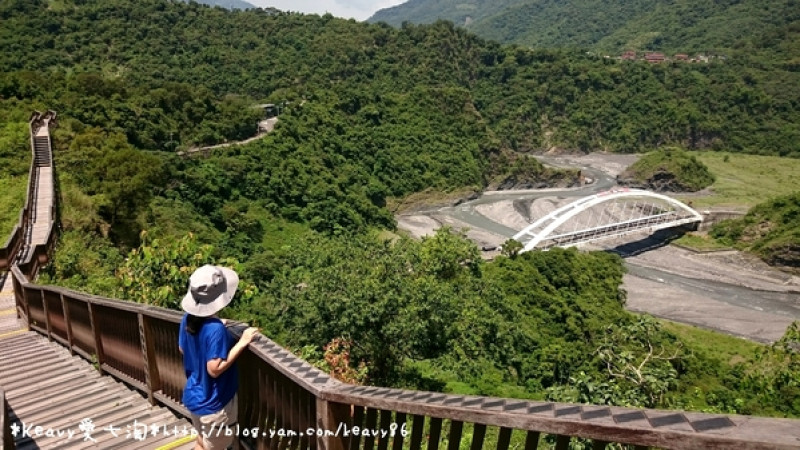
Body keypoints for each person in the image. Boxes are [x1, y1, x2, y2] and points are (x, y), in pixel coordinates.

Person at [178, 264, 258, 450]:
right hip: (214, 404)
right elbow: (214, 369)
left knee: (202, 442)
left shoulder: (188, 318)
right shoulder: (215, 329)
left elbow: (182, 348)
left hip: (194, 396)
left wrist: (215, 323)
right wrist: (242, 342)